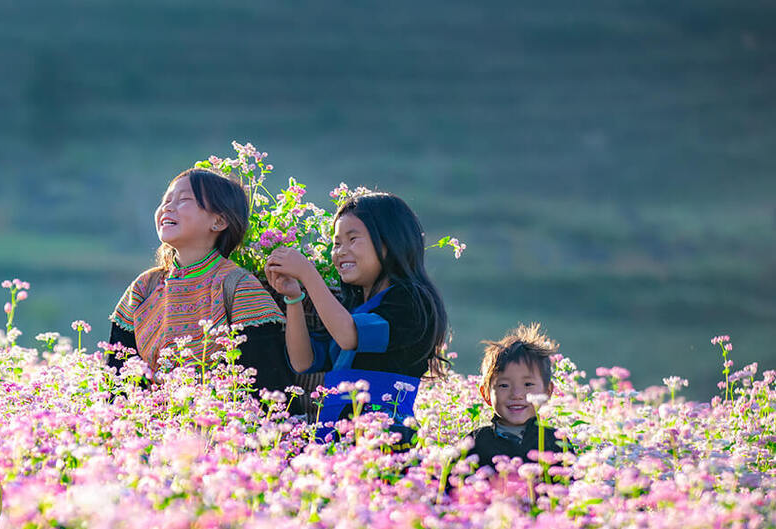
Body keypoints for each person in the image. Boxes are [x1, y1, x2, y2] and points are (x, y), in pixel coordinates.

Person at [264, 192, 449, 445]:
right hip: (335, 431)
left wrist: (308, 273)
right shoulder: (351, 309)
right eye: (337, 243)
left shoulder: (411, 300)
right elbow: (303, 361)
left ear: (389, 242)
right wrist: (294, 298)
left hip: (384, 435)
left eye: (352, 239)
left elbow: (349, 336)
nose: (340, 252)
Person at [108, 168, 293, 395]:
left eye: (184, 200)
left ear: (219, 221)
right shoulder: (144, 287)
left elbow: (266, 386)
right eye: (166, 200)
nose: (167, 207)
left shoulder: (240, 287)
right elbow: (116, 382)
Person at [464, 323, 563, 469]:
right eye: (504, 385)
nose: (516, 395)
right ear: (486, 394)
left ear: (547, 392)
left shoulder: (557, 443)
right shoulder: (475, 443)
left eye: (528, 384)